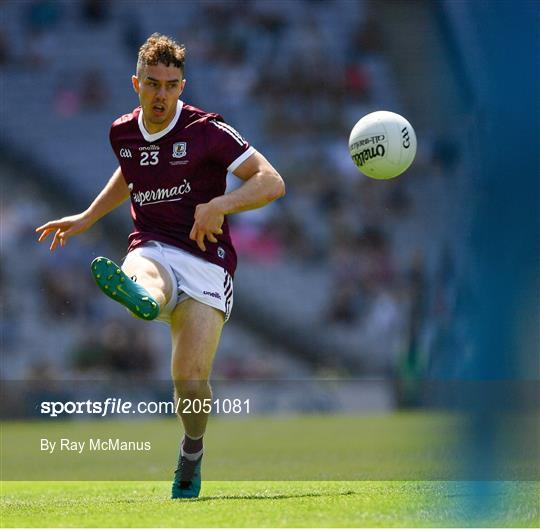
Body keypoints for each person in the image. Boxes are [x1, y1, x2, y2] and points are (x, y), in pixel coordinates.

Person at [35, 33, 285, 499]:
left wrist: (221, 205)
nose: (161, 95)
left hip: (207, 262)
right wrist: (88, 216)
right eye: (152, 84)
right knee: (146, 272)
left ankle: (191, 454)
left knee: (189, 380)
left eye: (170, 86)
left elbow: (272, 182)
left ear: (182, 86)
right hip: (152, 245)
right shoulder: (121, 132)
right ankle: (144, 296)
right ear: (136, 84)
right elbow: (131, 173)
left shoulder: (208, 130)